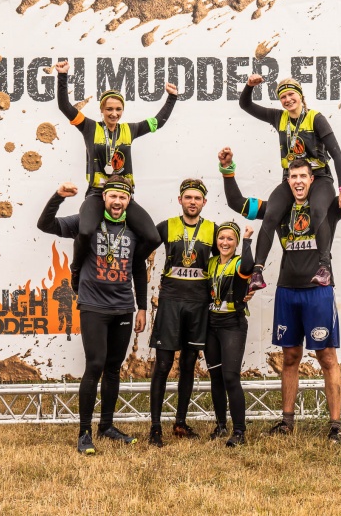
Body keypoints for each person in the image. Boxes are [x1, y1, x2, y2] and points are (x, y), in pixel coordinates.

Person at [218, 142, 341, 442]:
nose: (298, 181)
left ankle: (335, 425)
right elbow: (237, 202)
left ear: (312, 179)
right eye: (293, 177)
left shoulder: (328, 207)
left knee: (327, 357)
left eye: (303, 176)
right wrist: (227, 170)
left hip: (318, 292)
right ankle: (287, 422)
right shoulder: (276, 208)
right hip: (287, 291)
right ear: (287, 180)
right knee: (290, 357)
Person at [37, 175, 148, 455]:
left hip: (124, 306)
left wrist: (142, 307)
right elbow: (45, 225)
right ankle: (85, 432)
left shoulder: (134, 228)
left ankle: (106, 426)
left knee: (113, 368)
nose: (117, 202)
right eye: (113, 196)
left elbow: (138, 269)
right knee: (95, 365)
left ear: (129, 201)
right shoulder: (85, 222)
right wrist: (58, 196)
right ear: (104, 198)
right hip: (93, 306)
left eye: (123, 197)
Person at [55, 60, 176, 292]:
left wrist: (171, 98)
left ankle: (132, 264)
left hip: (123, 195)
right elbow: (64, 106)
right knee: (85, 231)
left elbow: (157, 123)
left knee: (152, 237)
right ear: (102, 110)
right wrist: (62, 76)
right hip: (97, 193)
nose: (114, 113)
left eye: (118, 109)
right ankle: (76, 269)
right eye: (109, 109)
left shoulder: (130, 130)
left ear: (122, 111)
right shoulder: (90, 127)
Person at [239, 74, 341, 290]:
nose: (287, 99)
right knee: (271, 213)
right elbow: (245, 105)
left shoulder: (315, 118)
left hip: (319, 178)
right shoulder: (278, 117)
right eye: (283, 97)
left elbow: (337, 155)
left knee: (318, 210)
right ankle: (257, 272)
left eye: (291, 94)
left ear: (300, 96)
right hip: (292, 179)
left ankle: (324, 267)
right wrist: (249, 86)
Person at [149, 179, 218, 448]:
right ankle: (155, 427)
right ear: (180, 200)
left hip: (198, 303)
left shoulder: (212, 229)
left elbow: (224, 261)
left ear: (204, 202)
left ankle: (180, 422)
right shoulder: (166, 226)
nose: (192, 202)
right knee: (163, 365)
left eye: (197, 198)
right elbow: (142, 247)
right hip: (171, 302)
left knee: (189, 364)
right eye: (188, 197)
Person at [204, 221, 254, 447]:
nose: (225, 242)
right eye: (221, 238)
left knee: (231, 377)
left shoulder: (239, 262)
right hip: (211, 325)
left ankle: (239, 431)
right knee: (215, 376)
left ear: (236, 243)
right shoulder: (211, 263)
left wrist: (247, 240)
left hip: (232, 324)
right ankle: (221, 425)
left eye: (230, 239)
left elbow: (249, 267)